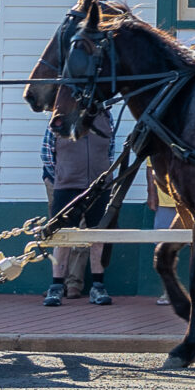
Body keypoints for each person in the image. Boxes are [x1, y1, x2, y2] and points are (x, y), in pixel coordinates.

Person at [44, 112, 115, 307]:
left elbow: (110, 151)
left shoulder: (106, 117)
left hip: (98, 187)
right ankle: (56, 287)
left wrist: (104, 178)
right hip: (67, 187)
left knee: (98, 237)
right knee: (63, 237)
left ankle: (98, 286)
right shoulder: (59, 117)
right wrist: (61, 176)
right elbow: (47, 153)